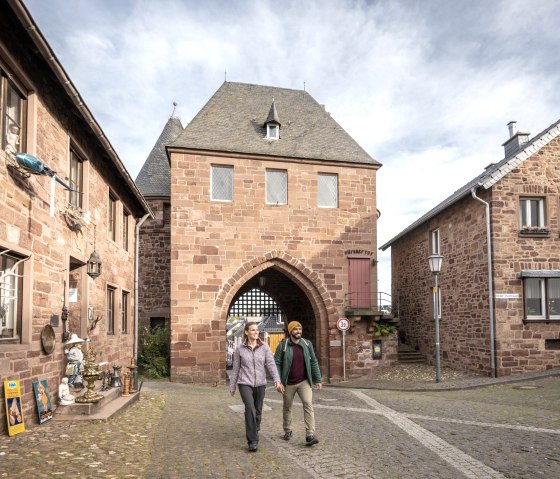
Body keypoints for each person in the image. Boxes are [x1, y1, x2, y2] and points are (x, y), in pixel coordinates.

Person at [229, 322, 284, 452]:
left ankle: (255, 427)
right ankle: (252, 441)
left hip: (260, 383)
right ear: (246, 332)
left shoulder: (264, 347)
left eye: (257, 330)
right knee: (250, 409)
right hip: (245, 383)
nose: (255, 332)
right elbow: (236, 369)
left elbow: (271, 364)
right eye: (252, 330)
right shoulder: (240, 349)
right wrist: (232, 386)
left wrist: (277, 380)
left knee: (258, 410)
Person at [274, 321, 322, 446]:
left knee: (308, 404)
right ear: (290, 331)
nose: (298, 331)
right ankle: (287, 430)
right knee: (287, 407)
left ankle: (310, 435)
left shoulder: (307, 344)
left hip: (304, 381)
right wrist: (278, 381)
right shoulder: (283, 345)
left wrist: (318, 379)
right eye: (295, 329)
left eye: (300, 329)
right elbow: (277, 363)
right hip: (288, 383)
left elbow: (313, 361)